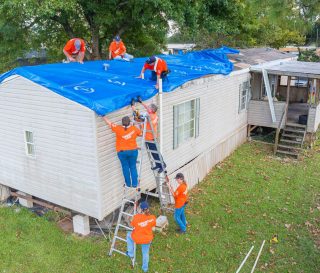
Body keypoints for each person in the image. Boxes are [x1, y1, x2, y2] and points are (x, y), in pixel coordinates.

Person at [103, 115, 141, 187]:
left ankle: (128, 184)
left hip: (122, 152)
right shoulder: (134, 128)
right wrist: (135, 124)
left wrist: (103, 116)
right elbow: (140, 133)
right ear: (130, 122)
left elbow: (109, 123)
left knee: (125, 167)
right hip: (133, 151)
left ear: (122, 123)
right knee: (133, 167)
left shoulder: (118, 128)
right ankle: (135, 184)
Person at [132, 97, 166, 173]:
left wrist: (133, 107)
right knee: (153, 152)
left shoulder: (150, 117)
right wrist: (141, 102)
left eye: (149, 108)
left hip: (150, 138)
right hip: (149, 137)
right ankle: (158, 164)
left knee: (156, 153)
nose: (147, 108)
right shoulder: (153, 113)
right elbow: (147, 108)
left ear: (151, 110)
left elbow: (139, 117)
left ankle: (162, 165)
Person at [126, 201, 156, 272]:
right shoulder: (152, 218)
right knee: (145, 253)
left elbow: (132, 225)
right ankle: (145, 269)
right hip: (147, 239)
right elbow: (153, 226)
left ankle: (130, 253)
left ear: (141, 209)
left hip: (137, 238)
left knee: (128, 235)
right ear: (148, 209)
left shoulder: (136, 217)